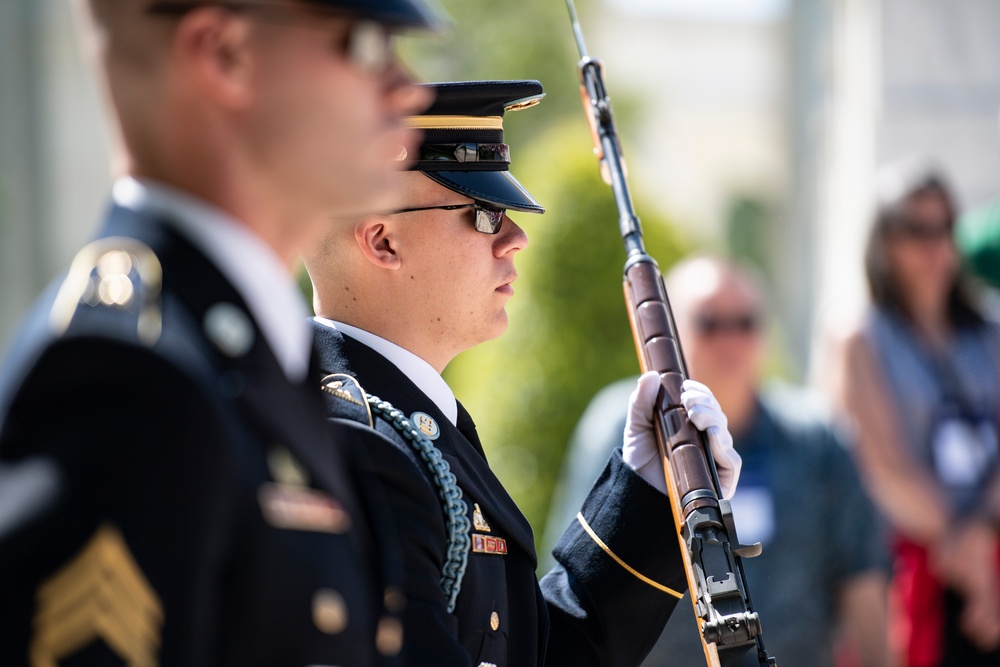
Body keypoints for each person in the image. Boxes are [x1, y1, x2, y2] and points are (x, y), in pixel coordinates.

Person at [0, 0, 440, 664]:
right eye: (366, 43)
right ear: (224, 54)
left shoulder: (247, 353)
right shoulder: (131, 382)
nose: (410, 87)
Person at [300, 79, 743, 666]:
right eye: (484, 216)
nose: (516, 238)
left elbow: (537, 653)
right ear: (383, 241)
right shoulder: (364, 448)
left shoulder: (411, 427)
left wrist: (647, 491)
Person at [546, 256, 891, 667]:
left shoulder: (816, 439)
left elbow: (862, 579)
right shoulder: (620, 427)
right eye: (710, 323)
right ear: (668, 335)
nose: (731, 340)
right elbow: (578, 578)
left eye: (745, 322)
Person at [824, 161, 1000, 667]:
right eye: (915, 229)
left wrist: (983, 536)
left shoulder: (988, 330)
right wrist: (964, 551)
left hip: (988, 549)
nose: (934, 245)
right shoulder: (858, 337)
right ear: (883, 242)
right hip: (908, 568)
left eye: (945, 227)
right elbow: (883, 466)